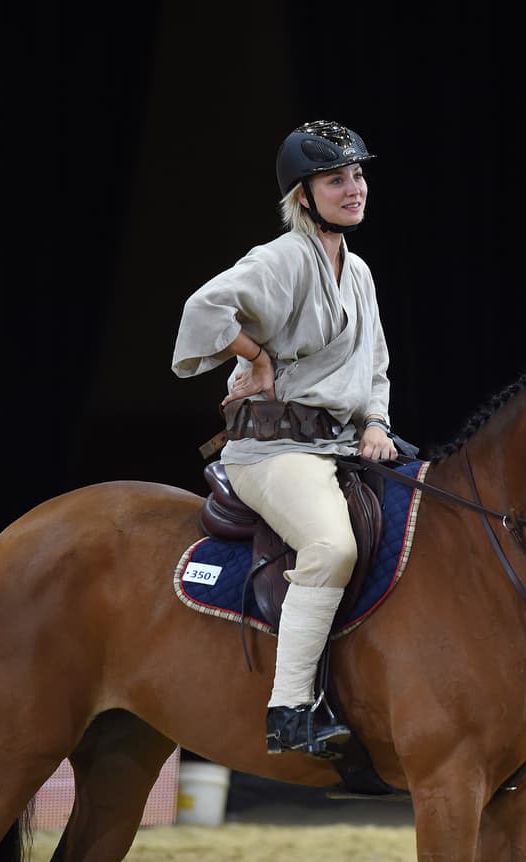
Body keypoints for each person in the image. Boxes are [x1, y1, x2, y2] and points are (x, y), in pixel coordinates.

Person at [171, 120, 398, 757]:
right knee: (331, 548)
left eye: (356, 175)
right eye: (336, 180)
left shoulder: (360, 274)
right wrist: (254, 356)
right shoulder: (283, 258)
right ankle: (290, 709)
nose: (354, 189)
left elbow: (374, 364)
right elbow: (201, 310)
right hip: (275, 453)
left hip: (344, 446)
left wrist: (377, 422)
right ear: (304, 196)